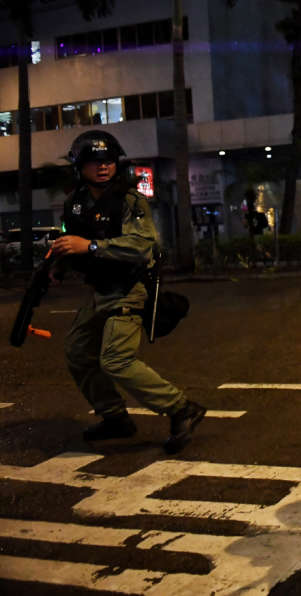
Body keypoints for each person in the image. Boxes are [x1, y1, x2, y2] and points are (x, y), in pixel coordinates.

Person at [50, 130, 205, 455]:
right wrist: (57, 267)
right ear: (80, 165)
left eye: (108, 160)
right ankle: (115, 417)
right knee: (79, 353)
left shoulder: (130, 200)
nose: (103, 167)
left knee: (116, 359)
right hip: (98, 290)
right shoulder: (74, 202)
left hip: (129, 289)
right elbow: (70, 240)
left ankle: (181, 408)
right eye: (94, 161)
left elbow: (142, 245)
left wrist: (90, 246)